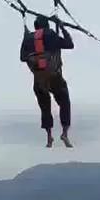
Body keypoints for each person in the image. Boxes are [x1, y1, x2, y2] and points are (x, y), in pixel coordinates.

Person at [20, 15, 75, 148]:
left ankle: (49, 137)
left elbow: (23, 58)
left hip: (39, 81)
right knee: (64, 102)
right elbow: (70, 44)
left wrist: (29, 42)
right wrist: (61, 26)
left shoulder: (28, 38)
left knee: (45, 108)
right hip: (54, 77)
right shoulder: (50, 34)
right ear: (47, 26)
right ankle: (64, 133)